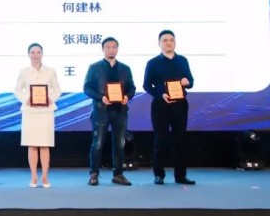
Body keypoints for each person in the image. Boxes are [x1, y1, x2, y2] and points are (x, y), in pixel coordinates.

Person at [143, 29, 196, 185]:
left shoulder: (183, 61)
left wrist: (187, 82)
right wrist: (160, 95)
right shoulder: (153, 63)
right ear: (159, 43)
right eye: (165, 40)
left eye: (171, 40)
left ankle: (180, 175)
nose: (168, 43)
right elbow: (147, 85)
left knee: (180, 140)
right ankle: (159, 174)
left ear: (175, 42)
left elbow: (191, 81)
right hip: (161, 105)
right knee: (160, 139)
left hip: (180, 105)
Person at [83, 37, 135, 186]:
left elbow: (131, 87)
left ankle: (118, 174)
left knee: (120, 144)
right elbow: (87, 88)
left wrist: (127, 96)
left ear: (117, 49)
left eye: (114, 47)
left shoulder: (125, 68)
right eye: (108, 47)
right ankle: (94, 174)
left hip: (120, 111)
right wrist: (101, 98)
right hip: (101, 111)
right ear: (103, 49)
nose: (111, 50)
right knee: (98, 143)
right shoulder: (94, 67)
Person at [14, 43, 62, 188]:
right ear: (28, 55)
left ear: (42, 54)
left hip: (46, 112)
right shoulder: (24, 72)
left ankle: (45, 177)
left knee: (45, 145)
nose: (35, 55)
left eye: (38, 52)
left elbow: (57, 90)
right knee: (32, 144)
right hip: (30, 111)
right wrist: (26, 99)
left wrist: (50, 99)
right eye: (33, 52)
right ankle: (34, 176)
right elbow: (17, 90)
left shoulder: (50, 71)